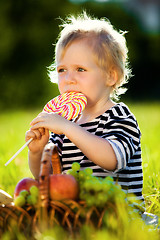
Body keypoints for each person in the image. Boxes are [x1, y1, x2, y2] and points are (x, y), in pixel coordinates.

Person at [25, 12, 144, 204]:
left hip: (118, 214)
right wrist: (37, 152)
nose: (69, 78)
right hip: (77, 215)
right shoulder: (64, 123)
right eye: (62, 70)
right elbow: (46, 176)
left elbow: (112, 160)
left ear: (110, 76)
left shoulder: (119, 116)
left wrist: (68, 128)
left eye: (80, 69)